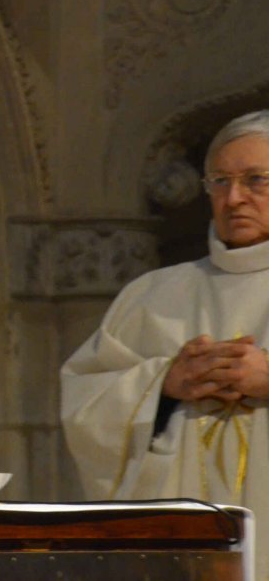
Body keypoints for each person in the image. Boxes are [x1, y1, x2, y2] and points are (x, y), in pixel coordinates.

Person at [62, 110, 269, 579]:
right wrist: (161, 385)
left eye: (256, 179)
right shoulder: (153, 295)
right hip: (180, 548)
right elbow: (84, 406)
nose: (234, 198)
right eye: (220, 181)